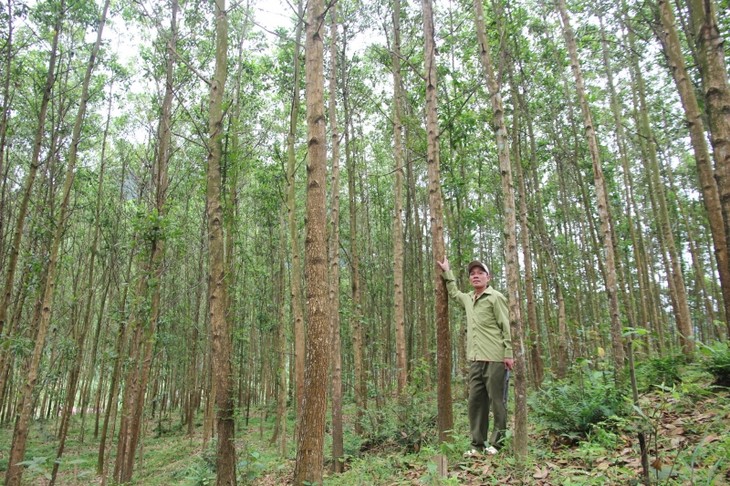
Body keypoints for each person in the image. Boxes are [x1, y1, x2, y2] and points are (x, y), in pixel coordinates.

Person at [437, 256, 514, 457]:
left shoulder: (495, 297)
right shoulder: (469, 299)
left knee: (497, 401)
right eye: (472, 274)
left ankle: (497, 444)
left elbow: (506, 326)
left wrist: (509, 353)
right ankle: (477, 445)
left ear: (488, 277)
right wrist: (447, 271)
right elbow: (453, 293)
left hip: (496, 358)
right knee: (475, 402)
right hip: (475, 359)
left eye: (480, 273)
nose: (476, 276)